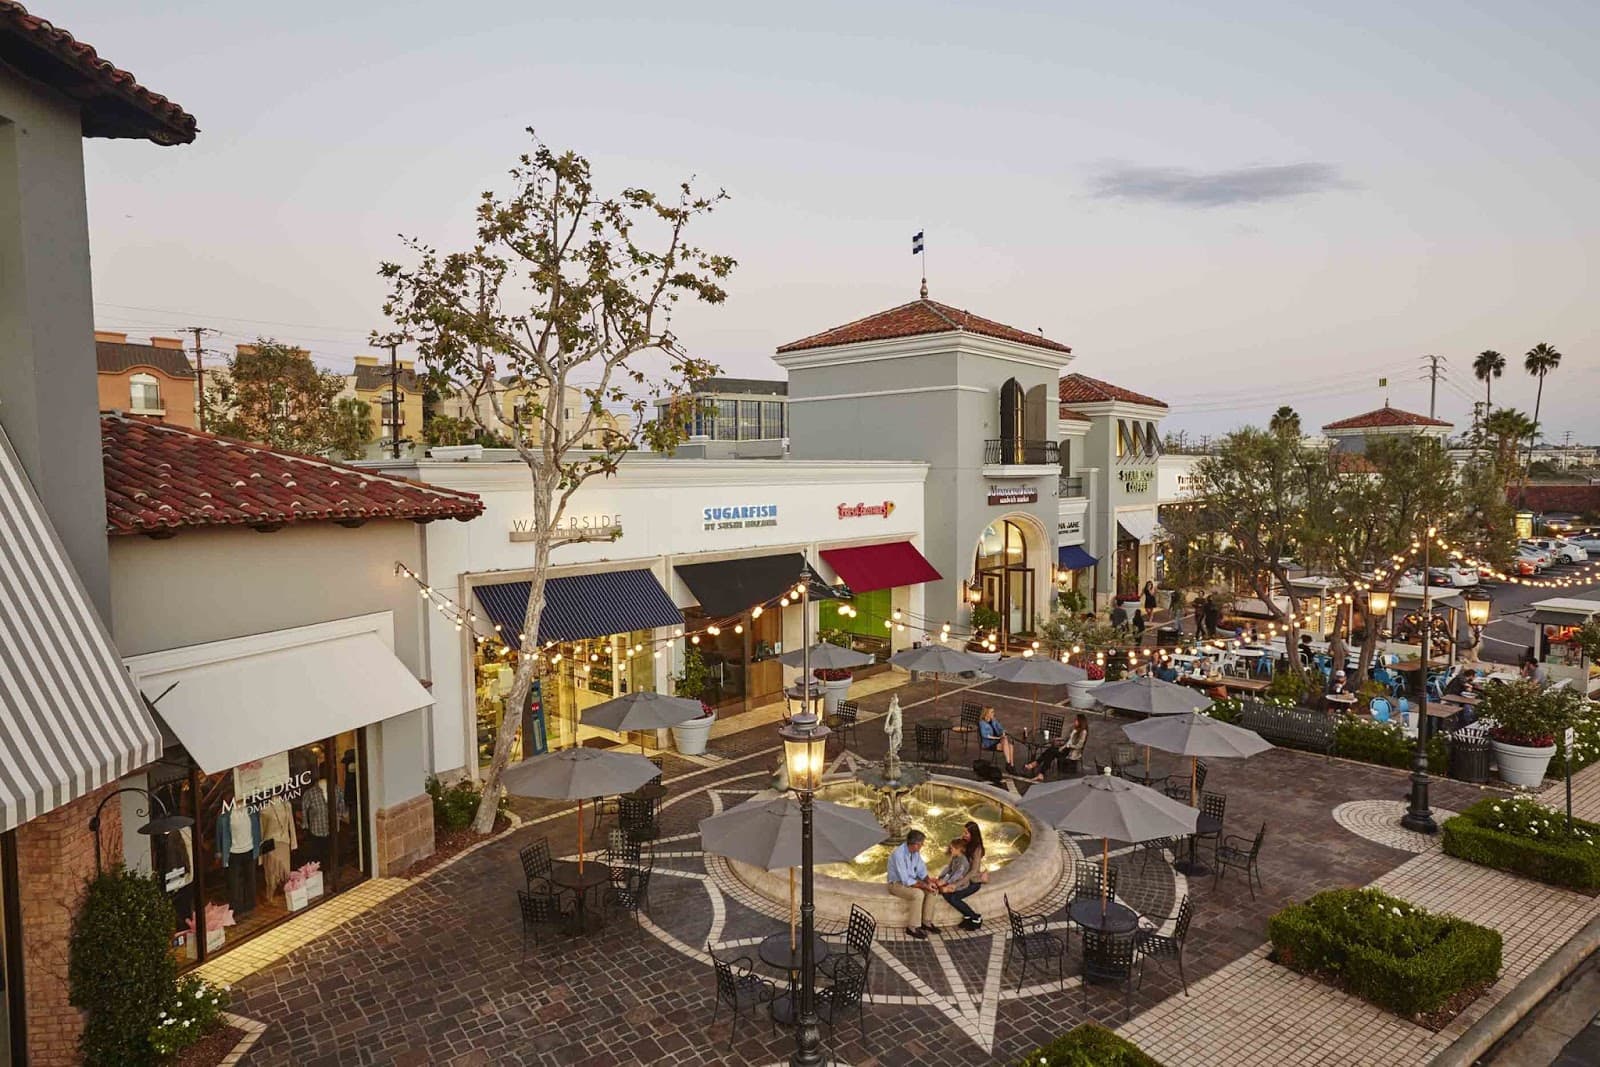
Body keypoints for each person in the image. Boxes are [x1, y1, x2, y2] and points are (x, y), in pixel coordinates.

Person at [886, 829, 938, 938]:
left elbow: (921, 870)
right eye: (921, 844)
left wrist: (929, 882)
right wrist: (924, 885)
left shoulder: (915, 852)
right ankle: (912, 928)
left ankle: (926, 922)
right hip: (896, 884)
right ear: (914, 844)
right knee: (918, 894)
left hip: (911, 881)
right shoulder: (898, 854)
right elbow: (905, 880)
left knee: (933, 890)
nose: (922, 846)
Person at [939, 823, 987, 930]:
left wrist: (956, 885)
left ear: (973, 834)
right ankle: (967, 916)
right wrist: (943, 878)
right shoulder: (962, 843)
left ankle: (975, 917)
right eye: (963, 832)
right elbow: (953, 863)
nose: (963, 835)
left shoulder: (977, 848)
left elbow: (973, 871)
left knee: (954, 898)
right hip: (960, 878)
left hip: (973, 881)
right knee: (945, 894)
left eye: (966, 833)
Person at [1024, 713, 1088, 780]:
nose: (1074, 721)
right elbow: (1066, 739)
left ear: (1081, 722)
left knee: (1051, 752)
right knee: (1051, 751)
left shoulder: (1083, 732)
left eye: (1076, 720)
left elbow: (1079, 746)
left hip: (1071, 753)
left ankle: (1036, 765)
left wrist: (1069, 746)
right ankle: (1040, 772)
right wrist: (1059, 740)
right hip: (1065, 749)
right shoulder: (1074, 729)